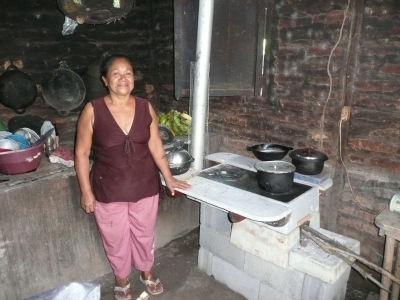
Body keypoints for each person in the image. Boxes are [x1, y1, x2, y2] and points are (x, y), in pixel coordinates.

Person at [74, 54, 191, 300]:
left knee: (144, 232)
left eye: (128, 72)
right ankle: (121, 276)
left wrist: (168, 177)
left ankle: (146, 271)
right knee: (114, 236)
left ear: (133, 79)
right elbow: (82, 153)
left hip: (145, 185)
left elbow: (157, 146)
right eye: (116, 73)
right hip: (108, 189)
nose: (123, 78)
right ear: (105, 80)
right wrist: (86, 190)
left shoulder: (144, 107)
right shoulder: (92, 110)